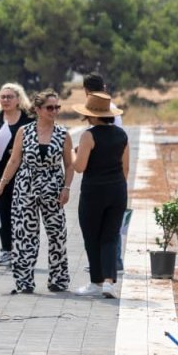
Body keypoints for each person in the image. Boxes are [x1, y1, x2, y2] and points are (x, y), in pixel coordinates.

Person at [0, 91, 73, 294]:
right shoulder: (24, 132)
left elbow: (69, 165)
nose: (54, 111)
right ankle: (24, 281)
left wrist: (67, 188)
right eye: (49, 107)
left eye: (57, 107)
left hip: (53, 189)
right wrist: (1, 185)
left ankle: (58, 279)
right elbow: (14, 160)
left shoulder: (63, 134)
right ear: (37, 110)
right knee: (25, 235)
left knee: (57, 235)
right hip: (25, 188)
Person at [72, 92, 129, 299]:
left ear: (92, 116)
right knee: (111, 236)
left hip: (93, 191)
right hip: (117, 190)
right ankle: (110, 282)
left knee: (92, 236)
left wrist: (72, 152)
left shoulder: (89, 135)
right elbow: (126, 168)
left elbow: (79, 167)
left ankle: (96, 281)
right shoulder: (122, 135)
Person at [0, 84, 35, 267]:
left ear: (19, 99)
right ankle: (6, 249)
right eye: (2, 97)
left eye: (9, 97)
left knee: (20, 211)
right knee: (2, 211)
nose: (5, 100)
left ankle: (21, 249)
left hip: (22, 172)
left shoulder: (28, 119)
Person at [83, 72, 125, 273]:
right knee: (112, 227)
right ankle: (111, 263)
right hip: (116, 180)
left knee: (99, 228)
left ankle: (105, 265)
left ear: (86, 91)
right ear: (105, 86)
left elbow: (81, 164)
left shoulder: (90, 132)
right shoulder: (116, 115)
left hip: (97, 180)